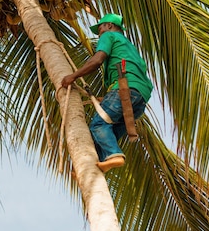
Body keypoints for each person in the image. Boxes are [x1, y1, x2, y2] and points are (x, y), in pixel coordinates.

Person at [61, 14, 153, 173]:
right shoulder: (128, 47)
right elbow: (136, 75)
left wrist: (73, 76)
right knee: (109, 131)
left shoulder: (109, 36)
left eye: (101, 28)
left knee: (98, 125)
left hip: (125, 87)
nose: (99, 33)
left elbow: (97, 61)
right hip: (140, 97)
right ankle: (92, 167)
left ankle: (113, 155)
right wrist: (108, 97)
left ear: (109, 25)